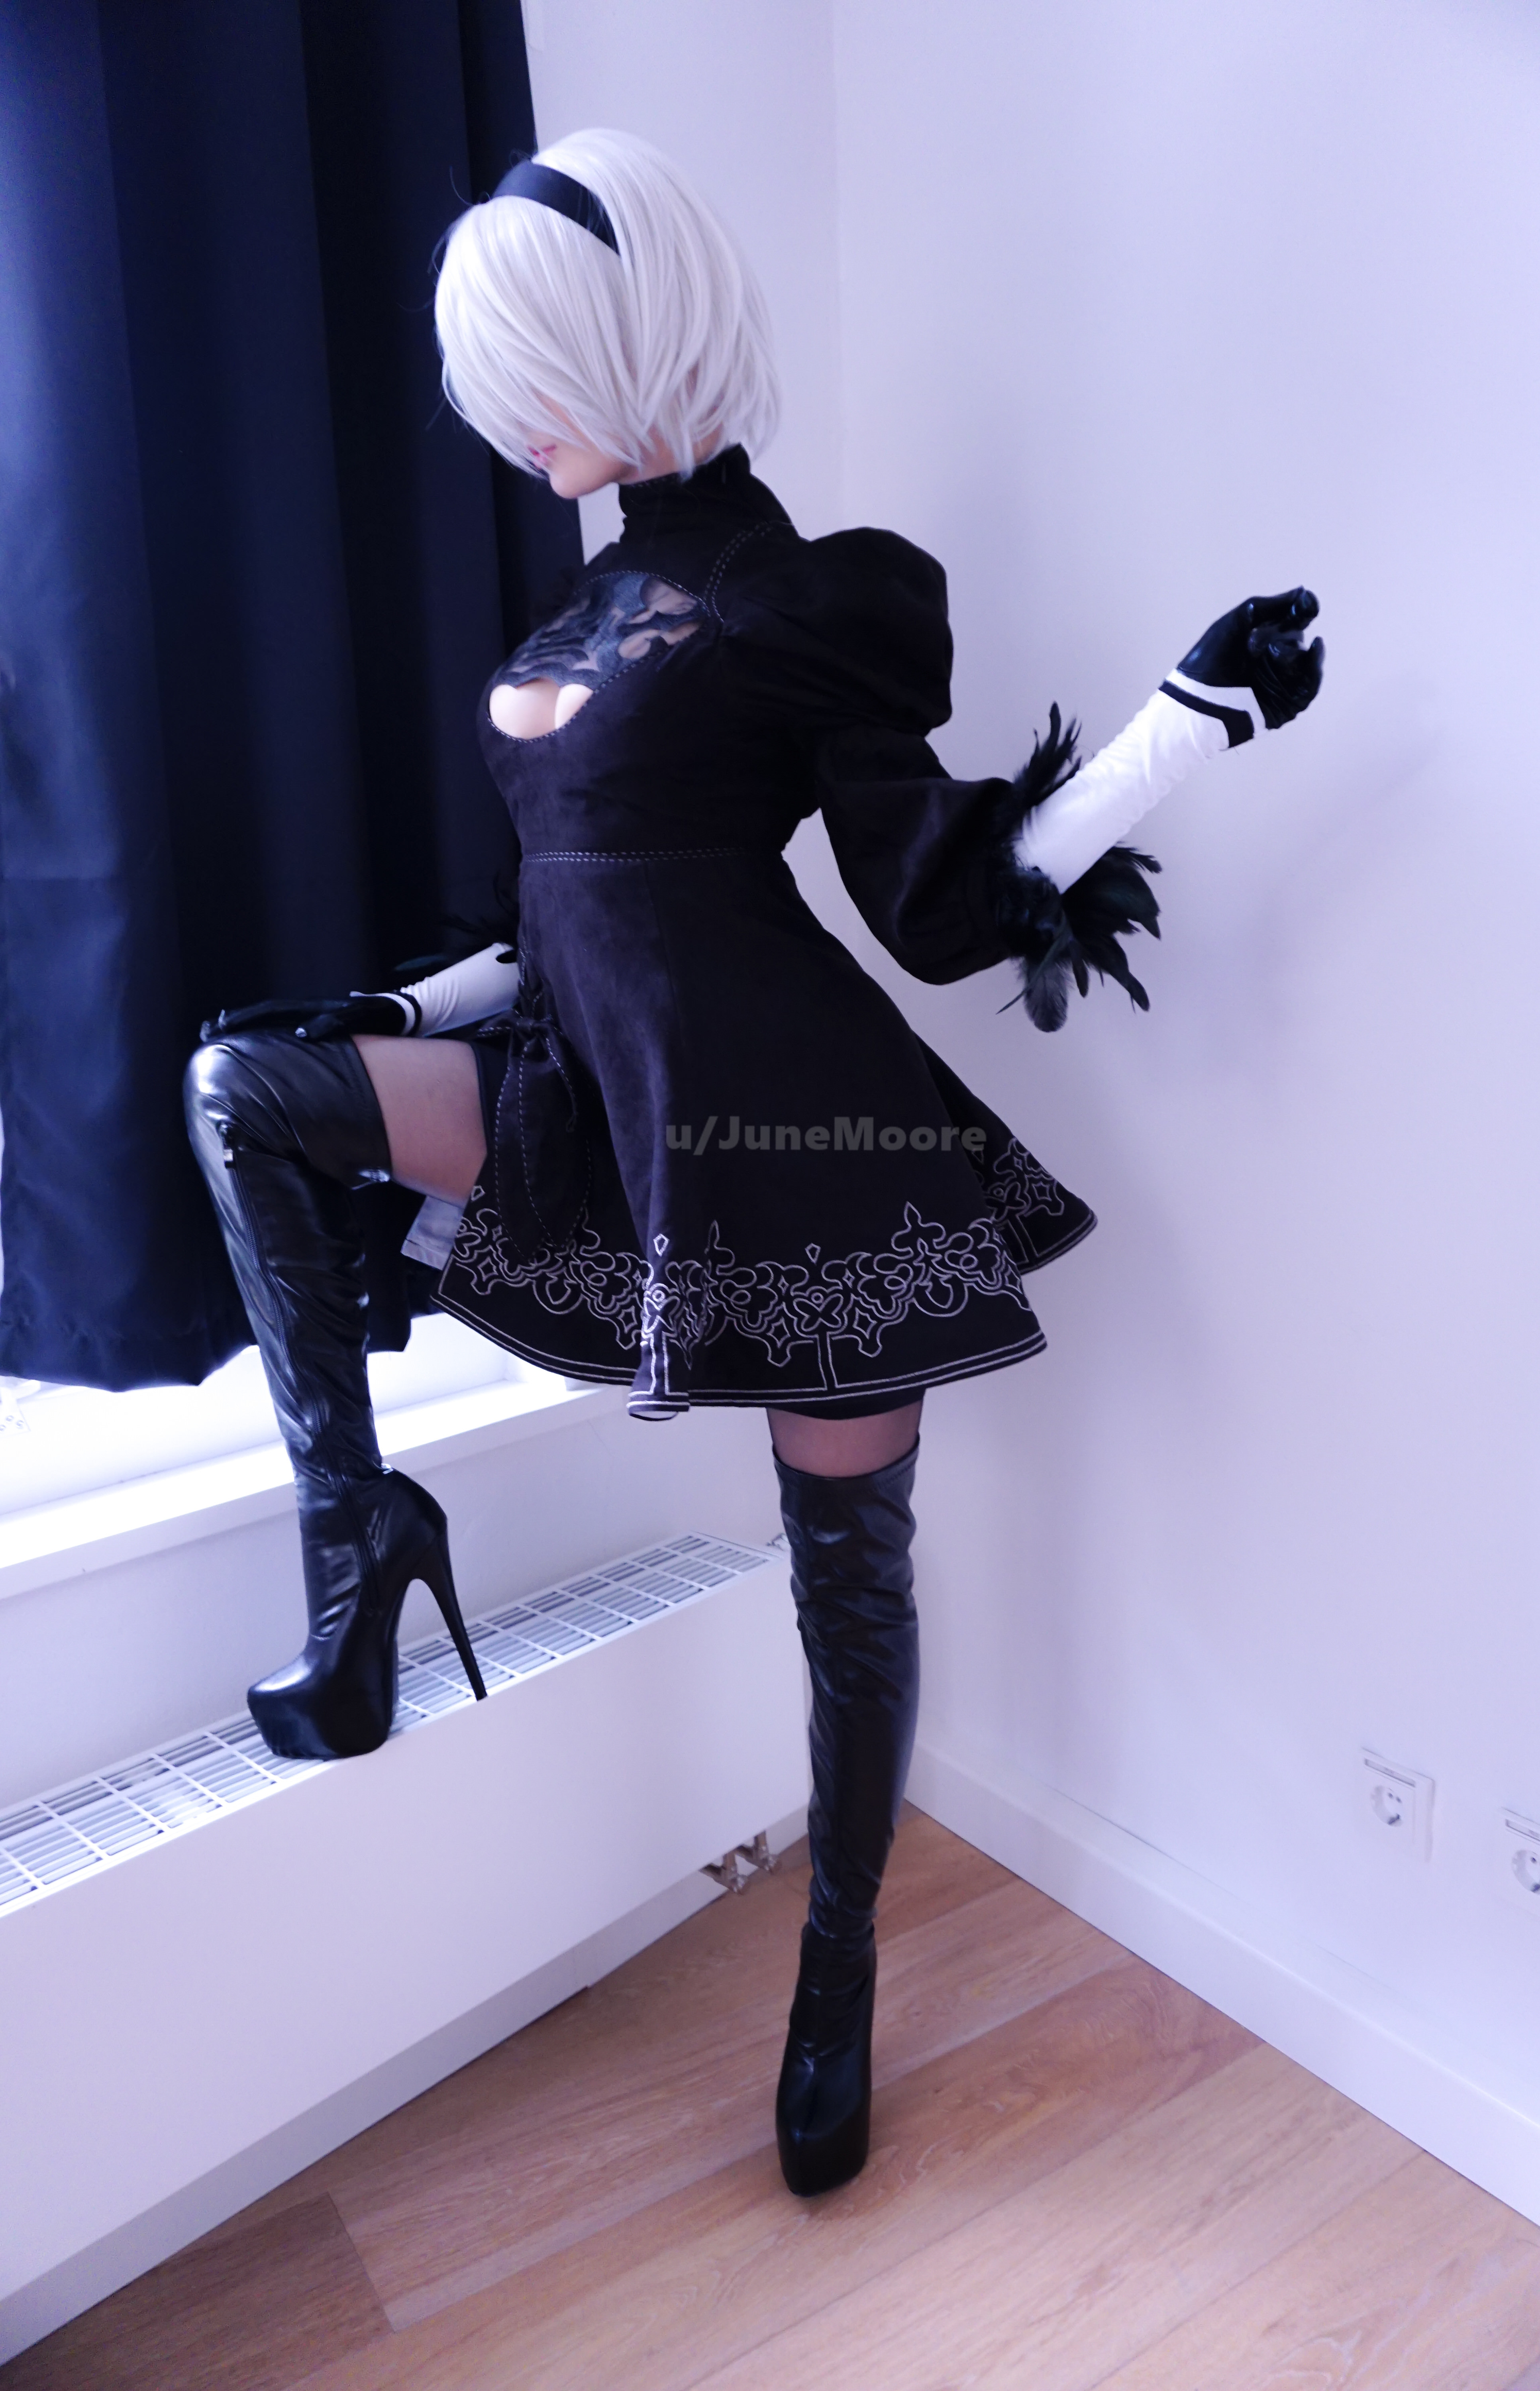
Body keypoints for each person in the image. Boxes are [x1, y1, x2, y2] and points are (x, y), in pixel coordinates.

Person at [184, 128, 1322, 2198]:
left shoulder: (816, 596)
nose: (509, 424)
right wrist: (397, 1018)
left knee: (848, 1592)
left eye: (525, 376)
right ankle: (364, 1557)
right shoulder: (578, 611)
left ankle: (836, 1976)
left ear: (621, 347)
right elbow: (560, 919)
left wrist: (1181, 725)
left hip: (800, 1147)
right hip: (583, 1101)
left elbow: (942, 909)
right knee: (244, 1090)